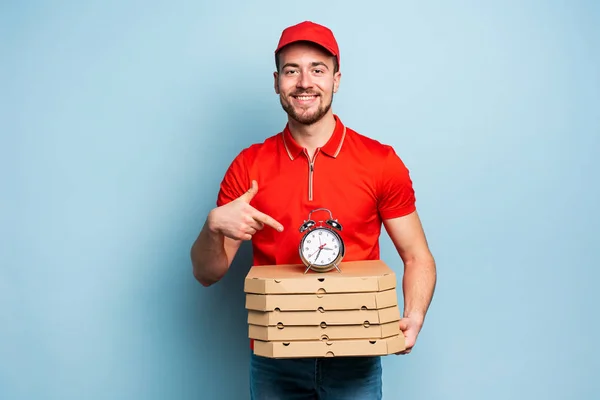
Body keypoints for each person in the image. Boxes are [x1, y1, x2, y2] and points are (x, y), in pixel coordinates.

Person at [191, 20, 437, 400]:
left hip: (357, 355)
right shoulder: (249, 166)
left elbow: (417, 256)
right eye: (292, 71)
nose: (304, 82)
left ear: (337, 79)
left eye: (318, 70)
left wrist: (415, 316)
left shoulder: (380, 162)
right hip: (276, 357)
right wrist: (212, 228)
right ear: (276, 82)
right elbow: (207, 274)